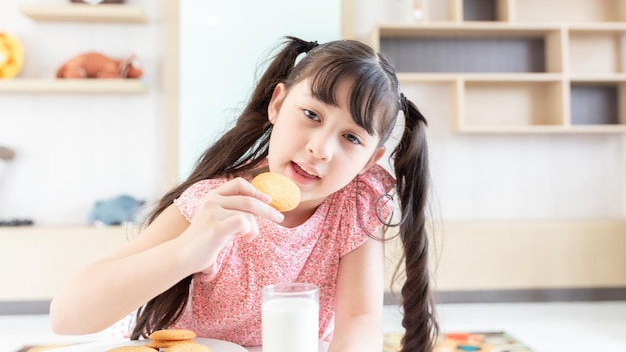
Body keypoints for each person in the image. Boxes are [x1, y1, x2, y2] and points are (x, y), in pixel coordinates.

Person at [50, 36, 439, 352]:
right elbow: (66, 316)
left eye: (351, 137)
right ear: (278, 103)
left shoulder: (354, 207)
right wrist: (188, 251)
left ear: (371, 160)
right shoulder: (214, 203)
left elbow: (359, 321)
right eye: (312, 115)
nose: (320, 148)